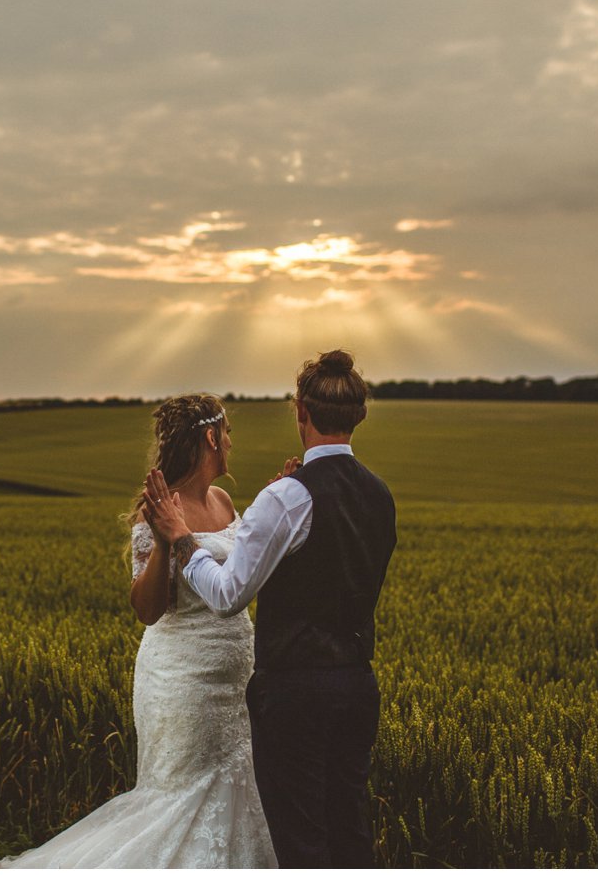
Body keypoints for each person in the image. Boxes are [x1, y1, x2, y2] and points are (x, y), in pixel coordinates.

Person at [0, 393, 278, 868]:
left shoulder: (225, 501)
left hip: (236, 682)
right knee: (183, 795)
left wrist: (275, 503)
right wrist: (167, 541)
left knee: (239, 788)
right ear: (211, 437)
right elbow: (148, 610)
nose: (231, 441)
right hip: (183, 682)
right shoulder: (160, 509)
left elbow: (246, 570)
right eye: (227, 432)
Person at [143, 349, 397, 867]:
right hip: (357, 685)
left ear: (300, 411)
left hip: (297, 691)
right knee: (349, 829)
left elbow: (228, 593)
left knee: (300, 839)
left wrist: (181, 539)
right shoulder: (380, 494)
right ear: (360, 414)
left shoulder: (286, 498)